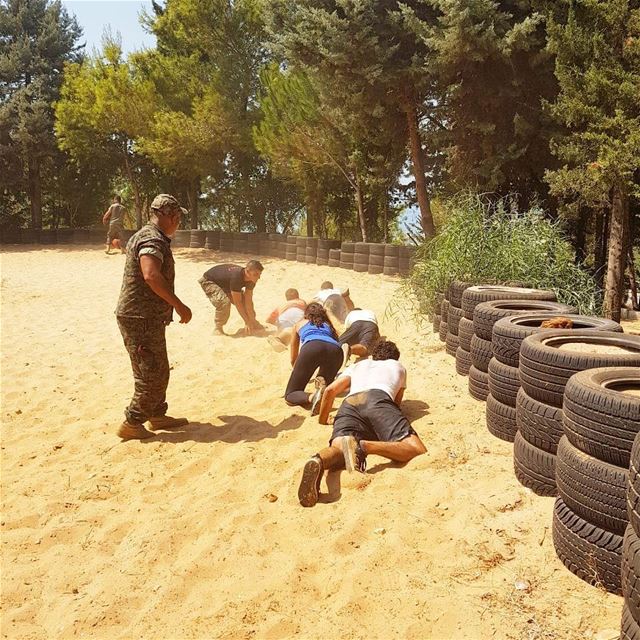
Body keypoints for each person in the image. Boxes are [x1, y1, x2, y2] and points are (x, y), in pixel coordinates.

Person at [297, 340, 427, 507]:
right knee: (416, 448)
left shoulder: (359, 365)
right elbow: (396, 403)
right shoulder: (398, 366)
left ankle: (318, 460)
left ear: (373, 356)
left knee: (339, 449)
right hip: (378, 399)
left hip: (349, 404)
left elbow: (330, 390)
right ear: (395, 358)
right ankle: (365, 447)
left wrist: (323, 420)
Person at [115, 194, 192, 440]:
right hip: (140, 318)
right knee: (151, 374)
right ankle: (132, 421)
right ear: (167, 215)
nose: (179, 221)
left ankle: (157, 415)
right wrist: (179, 305)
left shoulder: (148, 235)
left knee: (158, 368)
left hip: (145, 317)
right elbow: (150, 275)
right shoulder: (152, 239)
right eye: (177, 216)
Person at [285, 302, 344, 414]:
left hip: (313, 347)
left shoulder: (299, 324)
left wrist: (300, 372)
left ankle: (313, 397)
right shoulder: (328, 325)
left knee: (291, 395)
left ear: (306, 314)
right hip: (336, 350)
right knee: (324, 384)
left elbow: (293, 359)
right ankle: (321, 390)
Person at [199, 260, 264, 335]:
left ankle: (253, 322)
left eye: (260, 274)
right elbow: (237, 302)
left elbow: (248, 301)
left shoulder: (252, 280)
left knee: (244, 302)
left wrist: (252, 320)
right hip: (209, 281)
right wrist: (246, 321)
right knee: (224, 302)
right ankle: (218, 328)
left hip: (226, 283)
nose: (258, 277)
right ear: (247, 271)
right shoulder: (236, 277)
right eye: (256, 274)